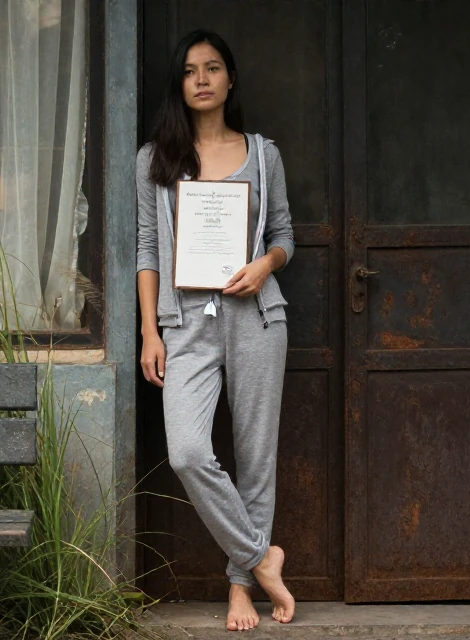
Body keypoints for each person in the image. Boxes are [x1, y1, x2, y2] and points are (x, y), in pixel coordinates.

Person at [135, 29, 295, 630]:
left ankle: (241, 588)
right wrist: (150, 332)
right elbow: (148, 248)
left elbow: (284, 236)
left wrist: (265, 266)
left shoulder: (263, 155)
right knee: (187, 452)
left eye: (212, 68)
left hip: (257, 317)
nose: (201, 79)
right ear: (179, 84)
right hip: (183, 324)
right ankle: (260, 557)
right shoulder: (154, 160)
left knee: (256, 457)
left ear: (230, 79)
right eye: (189, 70)